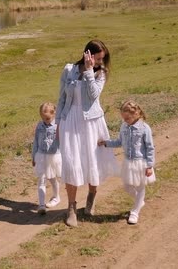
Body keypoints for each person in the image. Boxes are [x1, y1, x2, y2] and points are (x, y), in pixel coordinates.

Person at [56, 39, 119, 227]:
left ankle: (91, 197)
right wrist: (58, 123)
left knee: (93, 161)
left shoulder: (101, 73)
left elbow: (93, 95)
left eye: (102, 59)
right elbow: (61, 98)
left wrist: (91, 71)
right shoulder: (69, 70)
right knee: (71, 162)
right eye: (97, 58)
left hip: (91, 122)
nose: (100, 62)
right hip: (70, 120)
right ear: (87, 54)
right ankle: (71, 208)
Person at [98, 101, 155, 225]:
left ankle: (135, 212)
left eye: (128, 118)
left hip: (141, 163)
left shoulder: (145, 128)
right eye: (123, 118)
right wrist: (106, 143)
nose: (125, 120)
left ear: (136, 113)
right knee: (127, 186)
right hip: (128, 163)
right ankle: (140, 201)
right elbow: (119, 142)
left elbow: (150, 148)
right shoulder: (124, 126)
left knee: (140, 187)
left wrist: (149, 165)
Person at [32, 102, 62, 215]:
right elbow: (35, 141)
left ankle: (56, 197)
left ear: (54, 114)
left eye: (48, 118)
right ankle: (41, 205)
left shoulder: (58, 125)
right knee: (42, 179)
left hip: (54, 156)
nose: (46, 120)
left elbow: (63, 142)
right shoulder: (39, 126)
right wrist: (34, 156)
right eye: (44, 118)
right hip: (41, 156)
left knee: (53, 178)